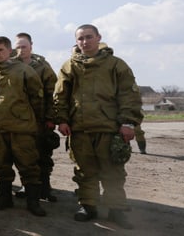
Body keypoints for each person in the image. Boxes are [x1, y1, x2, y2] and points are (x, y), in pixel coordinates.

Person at [54, 24, 143, 229]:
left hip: (109, 128)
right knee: (84, 171)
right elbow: (61, 96)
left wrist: (128, 123)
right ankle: (88, 206)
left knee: (113, 171)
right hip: (80, 129)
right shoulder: (69, 66)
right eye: (80, 38)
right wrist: (62, 120)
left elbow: (129, 95)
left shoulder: (115, 65)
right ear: (76, 41)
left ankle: (116, 210)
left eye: (89, 37)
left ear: (98, 38)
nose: (85, 42)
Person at [0, 36, 47, 217]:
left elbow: (37, 98)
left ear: (10, 51)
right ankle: (5, 197)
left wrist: (37, 121)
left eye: (0, 50)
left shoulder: (24, 71)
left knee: (28, 165)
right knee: (1, 165)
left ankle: (33, 201)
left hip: (22, 128)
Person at [14, 33, 59, 202]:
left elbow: (52, 94)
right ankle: (28, 185)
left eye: (24, 46)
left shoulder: (42, 67)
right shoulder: (11, 66)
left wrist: (50, 117)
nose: (20, 50)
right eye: (17, 47)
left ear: (31, 46)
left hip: (39, 119)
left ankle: (45, 187)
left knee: (43, 154)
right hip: (20, 120)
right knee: (24, 155)